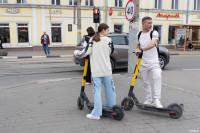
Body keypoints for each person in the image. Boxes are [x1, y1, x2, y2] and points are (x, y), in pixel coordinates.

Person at [74, 23, 115, 120]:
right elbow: (110, 51)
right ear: (103, 30)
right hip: (107, 70)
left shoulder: (92, 40)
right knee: (110, 90)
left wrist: (76, 53)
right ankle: (112, 107)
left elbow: (85, 52)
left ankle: (97, 113)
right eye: (108, 30)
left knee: (97, 91)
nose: (109, 32)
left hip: (96, 71)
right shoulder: (109, 40)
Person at [134, 16, 163, 108]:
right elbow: (138, 45)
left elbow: (153, 44)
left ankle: (157, 100)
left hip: (154, 61)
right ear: (143, 24)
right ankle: (149, 100)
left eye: (151, 23)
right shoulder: (138, 34)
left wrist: (142, 49)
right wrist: (137, 50)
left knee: (157, 76)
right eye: (149, 23)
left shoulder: (154, 33)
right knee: (145, 82)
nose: (151, 25)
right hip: (143, 62)